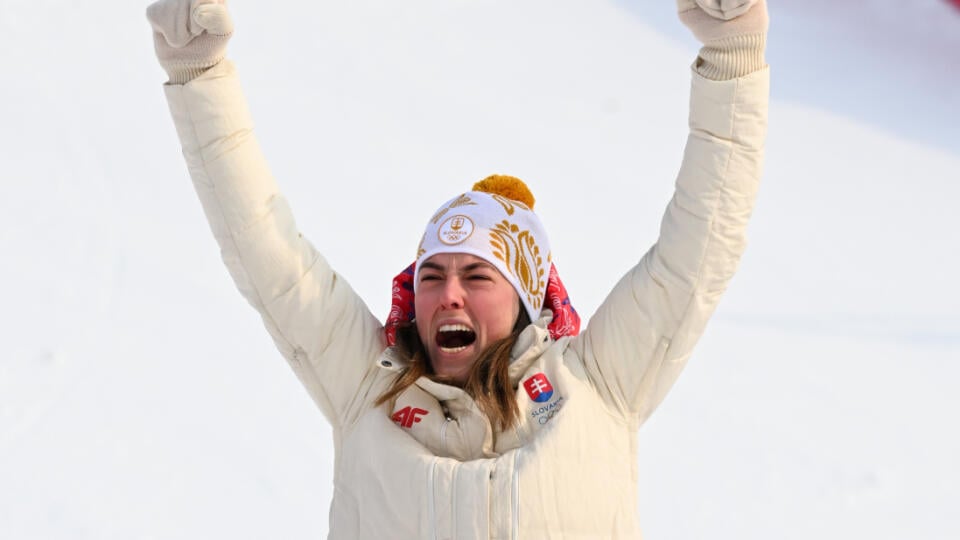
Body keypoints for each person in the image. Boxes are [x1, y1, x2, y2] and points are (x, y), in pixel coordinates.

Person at [147, 0, 769, 537]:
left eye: (476, 276)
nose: (448, 295)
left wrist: (733, 54)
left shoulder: (598, 383)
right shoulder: (368, 389)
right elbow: (266, 251)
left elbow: (700, 246)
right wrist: (198, 74)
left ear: (526, 298)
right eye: (430, 275)